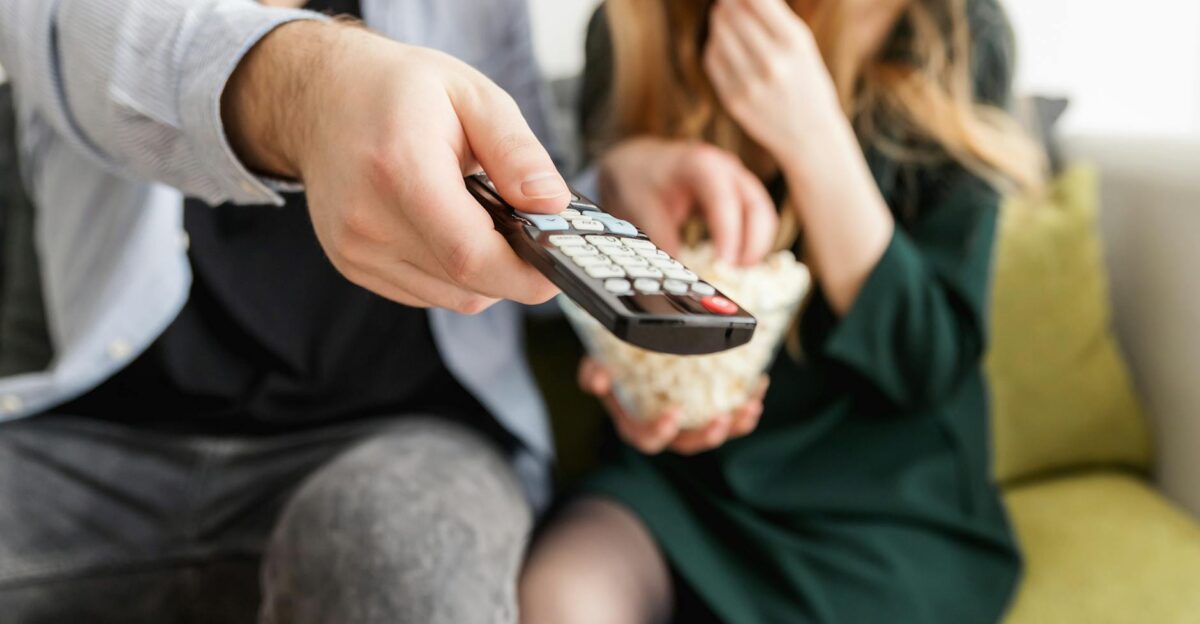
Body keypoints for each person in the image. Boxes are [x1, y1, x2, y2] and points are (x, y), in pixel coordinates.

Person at [0, 0, 771, 622]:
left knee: (399, 560)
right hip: (101, 441)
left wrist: (605, 181)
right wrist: (313, 90)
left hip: (410, 437)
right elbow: (85, 40)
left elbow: (509, 179)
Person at [520, 0, 1044, 622]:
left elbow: (925, 363)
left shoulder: (951, 29)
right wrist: (612, 180)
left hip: (883, 499)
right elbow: (623, 316)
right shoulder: (629, 29)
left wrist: (814, 135)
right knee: (560, 597)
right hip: (683, 483)